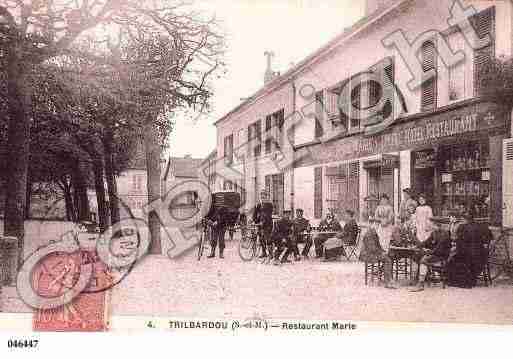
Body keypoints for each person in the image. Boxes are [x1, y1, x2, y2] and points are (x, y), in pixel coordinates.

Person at [450, 208, 493, 287]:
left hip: (467, 256)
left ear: (464, 219)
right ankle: (473, 278)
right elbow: (489, 237)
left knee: (453, 259)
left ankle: (464, 281)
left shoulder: (462, 227)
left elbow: (460, 243)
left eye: (462, 219)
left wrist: (455, 247)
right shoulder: (481, 226)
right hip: (481, 255)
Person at [410, 217, 452, 292]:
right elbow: (425, 243)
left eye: (431, 224)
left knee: (424, 259)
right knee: (416, 256)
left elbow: (440, 249)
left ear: (436, 225)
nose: (429, 225)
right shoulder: (434, 233)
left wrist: (428, 252)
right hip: (435, 253)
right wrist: (415, 241)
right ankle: (414, 279)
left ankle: (421, 284)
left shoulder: (445, 234)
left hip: (441, 256)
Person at [359, 219, 396, 289]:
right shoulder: (369, 233)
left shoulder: (373, 232)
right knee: (387, 259)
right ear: (370, 224)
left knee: (389, 256)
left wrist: (383, 251)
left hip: (372, 253)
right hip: (368, 255)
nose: (377, 226)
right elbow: (372, 248)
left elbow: (378, 246)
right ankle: (387, 282)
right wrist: (381, 252)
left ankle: (387, 277)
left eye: (378, 225)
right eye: (375, 224)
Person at [252, 190, 274, 258]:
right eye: (261, 195)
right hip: (260, 224)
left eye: (264, 195)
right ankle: (264, 252)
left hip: (267, 223)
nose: (262, 197)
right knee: (261, 238)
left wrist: (263, 222)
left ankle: (271, 254)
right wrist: (254, 221)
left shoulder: (269, 204)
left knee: (268, 238)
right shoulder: (259, 204)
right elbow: (255, 214)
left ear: (266, 196)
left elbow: (268, 215)